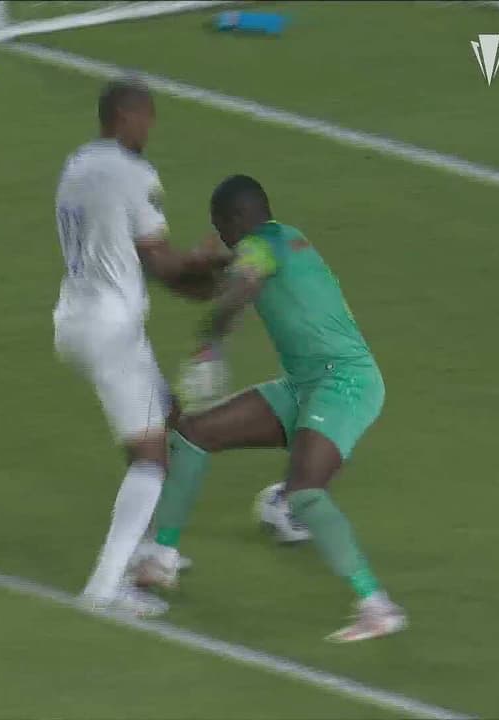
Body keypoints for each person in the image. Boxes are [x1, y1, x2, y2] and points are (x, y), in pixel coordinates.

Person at [134, 174, 407, 642]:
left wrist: (209, 344)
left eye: (221, 224)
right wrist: (204, 262)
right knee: (195, 434)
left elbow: (241, 286)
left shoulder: (263, 245)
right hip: (305, 384)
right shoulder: (280, 240)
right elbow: (231, 273)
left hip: (343, 384)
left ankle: (376, 606)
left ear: (239, 218)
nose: (220, 234)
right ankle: (162, 557)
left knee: (305, 493)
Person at [53, 78, 226, 617]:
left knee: (168, 418)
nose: (150, 126)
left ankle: (148, 548)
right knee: (151, 457)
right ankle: (105, 588)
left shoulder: (76, 165)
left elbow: (132, 257)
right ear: (125, 116)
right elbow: (162, 265)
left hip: (76, 318)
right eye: (146, 116)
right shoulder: (134, 173)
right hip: (113, 329)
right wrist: (208, 265)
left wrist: (199, 274)